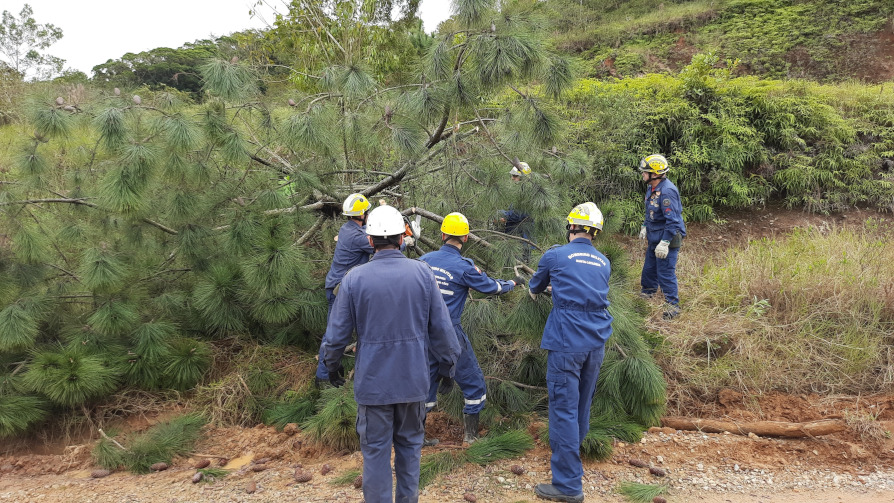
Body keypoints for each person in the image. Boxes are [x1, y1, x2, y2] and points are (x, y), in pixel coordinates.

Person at [321, 204, 461, 503]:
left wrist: (331, 367)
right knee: (410, 449)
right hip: (413, 383)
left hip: (373, 386)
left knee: (375, 454)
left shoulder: (355, 279)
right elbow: (443, 331)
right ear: (402, 237)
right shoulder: (422, 273)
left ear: (370, 240)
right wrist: (449, 368)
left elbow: (336, 336)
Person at [529, 202, 613, 503]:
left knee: (563, 410)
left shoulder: (555, 254)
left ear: (571, 228)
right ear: (594, 232)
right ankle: (570, 467)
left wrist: (544, 288)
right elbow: (587, 291)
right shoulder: (604, 262)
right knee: (580, 408)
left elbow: (535, 286)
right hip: (596, 342)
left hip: (567, 342)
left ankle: (568, 485)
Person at [418, 212, 525, 445]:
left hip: (421, 333)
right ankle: (471, 437)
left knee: (425, 382)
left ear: (443, 234)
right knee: (472, 380)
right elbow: (492, 287)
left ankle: (417, 439)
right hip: (449, 333)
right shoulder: (464, 266)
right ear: (465, 238)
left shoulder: (423, 260)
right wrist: (513, 283)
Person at [314, 193, 374, 387]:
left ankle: (332, 369)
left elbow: (367, 232)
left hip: (340, 286)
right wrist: (404, 241)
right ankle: (323, 377)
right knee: (335, 332)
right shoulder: (358, 237)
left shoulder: (348, 229)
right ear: (363, 213)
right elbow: (383, 245)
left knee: (341, 331)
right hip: (340, 289)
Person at [637, 154, 686, 320]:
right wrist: (645, 226)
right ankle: (648, 293)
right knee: (649, 268)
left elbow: (672, 221)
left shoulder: (667, 192)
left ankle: (672, 306)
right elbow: (650, 209)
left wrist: (664, 243)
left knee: (665, 272)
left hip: (668, 238)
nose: (642, 174)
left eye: (645, 172)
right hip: (654, 234)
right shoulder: (652, 187)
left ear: (655, 174)